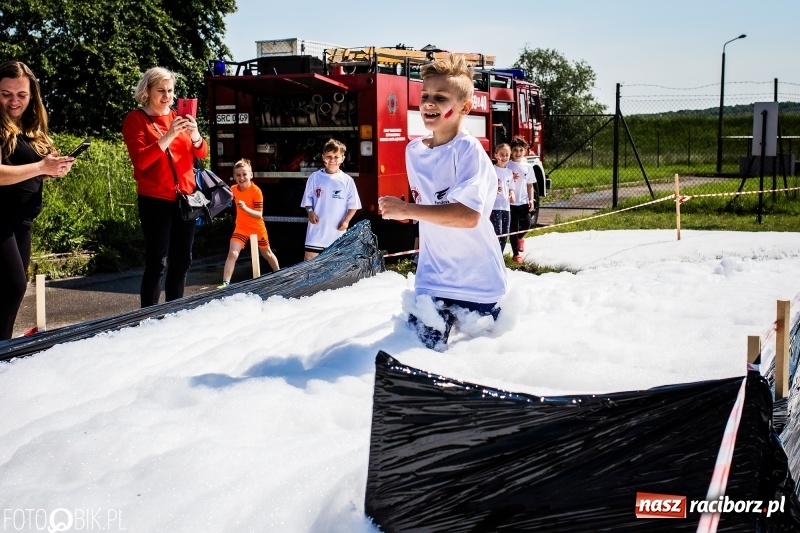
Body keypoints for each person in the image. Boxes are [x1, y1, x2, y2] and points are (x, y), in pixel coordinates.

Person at [378, 54, 507, 350]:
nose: (429, 103)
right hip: (432, 279)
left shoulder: (469, 151)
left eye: (440, 97)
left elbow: (468, 217)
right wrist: (405, 213)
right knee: (414, 357)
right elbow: (431, 211)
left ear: (464, 107)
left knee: (477, 367)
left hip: (477, 282)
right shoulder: (413, 151)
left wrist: (406, 209)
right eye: (425, 96)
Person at [0, 61, 76, 340]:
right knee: (12, 287)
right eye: (6, 94)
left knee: (10, 294)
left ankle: (4, 357)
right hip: (2, 219)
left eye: (21, 94)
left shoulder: (29, 126)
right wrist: (41, 167)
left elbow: (28, 169)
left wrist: (52, 168)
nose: (14, 101)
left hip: (22, 220)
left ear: (32, 95)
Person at [122, 67, 208, 307]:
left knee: (183, 260)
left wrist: (195, 135)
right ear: (146, 91)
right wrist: (169, 135)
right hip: (155, 199)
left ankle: (175, 313)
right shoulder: (136, 119)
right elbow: (141, 161)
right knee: (157, 261)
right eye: (161, 91)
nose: (167, 96)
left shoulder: (178, 117)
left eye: (170, 91)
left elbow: (202, 152)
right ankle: (147, 316)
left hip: (186, 198)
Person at [219, 158, 279, 287]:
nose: (242, 178)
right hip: (241, 227)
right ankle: (225, 283)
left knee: (267, 253)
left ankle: (278, 275)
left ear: (251, 175)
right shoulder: (233, 189)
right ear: (234, 176)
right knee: (233, 253)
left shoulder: (256, 191)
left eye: (244, 174)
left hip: (257, 228)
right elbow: (224, 201)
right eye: (238, 175)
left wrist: (245, 208)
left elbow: (259, 214)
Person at [300, 138, 361, 261]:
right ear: (323, 157)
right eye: (328, 156)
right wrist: (310, 212)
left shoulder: (347, 180)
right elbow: (308, 200)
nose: (332, 160)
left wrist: (346, 221)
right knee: (309, 261)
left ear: (342, 158)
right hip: (316, 231)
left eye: (336, 157)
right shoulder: (314, 177)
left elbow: (353, 205)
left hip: (336, 232)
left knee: (334, 263)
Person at [507, 136, 536, 263]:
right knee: (513, 227)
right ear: (511, 151)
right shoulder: (508, 165)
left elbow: (530, 185)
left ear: (525, 151)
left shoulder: (528, 167)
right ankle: (516, 254)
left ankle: (520, 238)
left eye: (520, 150)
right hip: (511, 202)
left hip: (523, 201)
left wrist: (531, 200)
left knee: (527, 224)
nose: (518, 153)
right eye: (515, 150)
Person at [490, 143, 514, 252]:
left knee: (505, 233)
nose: (504, 157)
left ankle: (501, 256)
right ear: (496, 155)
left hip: (506, 207)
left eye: (507, 155)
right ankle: (494, 254)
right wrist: (493, 189)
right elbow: (486, 186)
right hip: (494, 206)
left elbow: (511, 187)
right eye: (501, 154)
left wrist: (512, 194)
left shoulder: (509, 172)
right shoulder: (492, 170)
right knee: (497, 232)